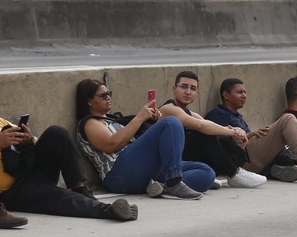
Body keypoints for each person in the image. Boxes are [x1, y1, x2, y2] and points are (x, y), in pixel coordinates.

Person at [0, 82, 138, 221]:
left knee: (57, 133)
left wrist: (28, 139)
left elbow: (36, 141)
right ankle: (107, 210)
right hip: (9, 192)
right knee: (57, 196)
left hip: (27, 173)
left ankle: (80, 188)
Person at [76, 79, 214, 200]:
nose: (108, 98)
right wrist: (140, 117)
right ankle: (174, 182)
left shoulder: (112, 120)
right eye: (102, 95)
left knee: (206, 172)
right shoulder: (90, 123)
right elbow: (112, 144)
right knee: (171, 122)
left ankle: (162, 187)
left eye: (109, 94)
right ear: (89, 101)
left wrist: (150, 121)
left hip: (141, 170)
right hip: (119, 174)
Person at [204, 77, 297, 184]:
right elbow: (221, 145)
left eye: (245, 92)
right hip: (242, 159)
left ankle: (283, 170)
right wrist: (250, 135)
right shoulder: (218, 114)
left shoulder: (237, 116)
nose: (244, 95)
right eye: (239, 92)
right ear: (226, 95)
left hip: (254, 158)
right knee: (288, 119)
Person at [159, 71, 267, 189]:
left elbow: (210, 125)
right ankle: (234, 174)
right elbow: (200, 126)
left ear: (197, 92)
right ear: (174, 89)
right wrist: (233, 132)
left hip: (181, 161)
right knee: (202, 134)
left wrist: (235, 131)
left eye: (193, 88)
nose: (188, 92)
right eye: (184, 87)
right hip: (162, 162)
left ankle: (227, 173)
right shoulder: (168, 109)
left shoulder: (189, 113)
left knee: (218, 138)